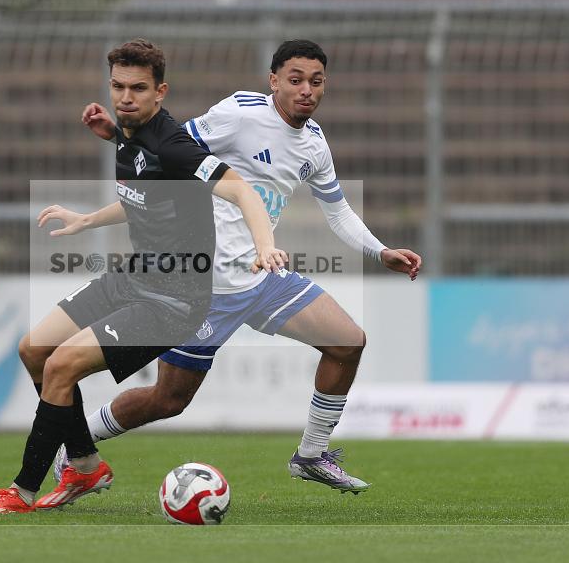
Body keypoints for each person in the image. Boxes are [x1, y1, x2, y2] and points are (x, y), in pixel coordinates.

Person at [47, 39, 422, 494]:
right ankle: (75, 444)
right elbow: (168, 152)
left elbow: (338, 210)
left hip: (264, 277)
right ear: (274, 82)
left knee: (347, 342)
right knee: (168, 401)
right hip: (203, 287)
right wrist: (117, 136)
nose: (306, 90)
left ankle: (310, 455)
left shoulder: (315, 145)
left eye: (316, 82)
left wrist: (378, 251)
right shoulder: (241, 114)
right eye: (295, 79)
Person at [0, 39, 285, 513]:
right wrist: (88, 216)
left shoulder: (176, 145)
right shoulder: (131, 136)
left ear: (161, 92)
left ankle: (22, 491)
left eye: (138, 88)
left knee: (61, 365)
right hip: (133, 278)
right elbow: (145, 197)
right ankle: (86, 466)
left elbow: (242, 191)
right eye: (118, 86)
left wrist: (265, 247)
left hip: (172, 302)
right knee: (34, 349)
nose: (125, 96)